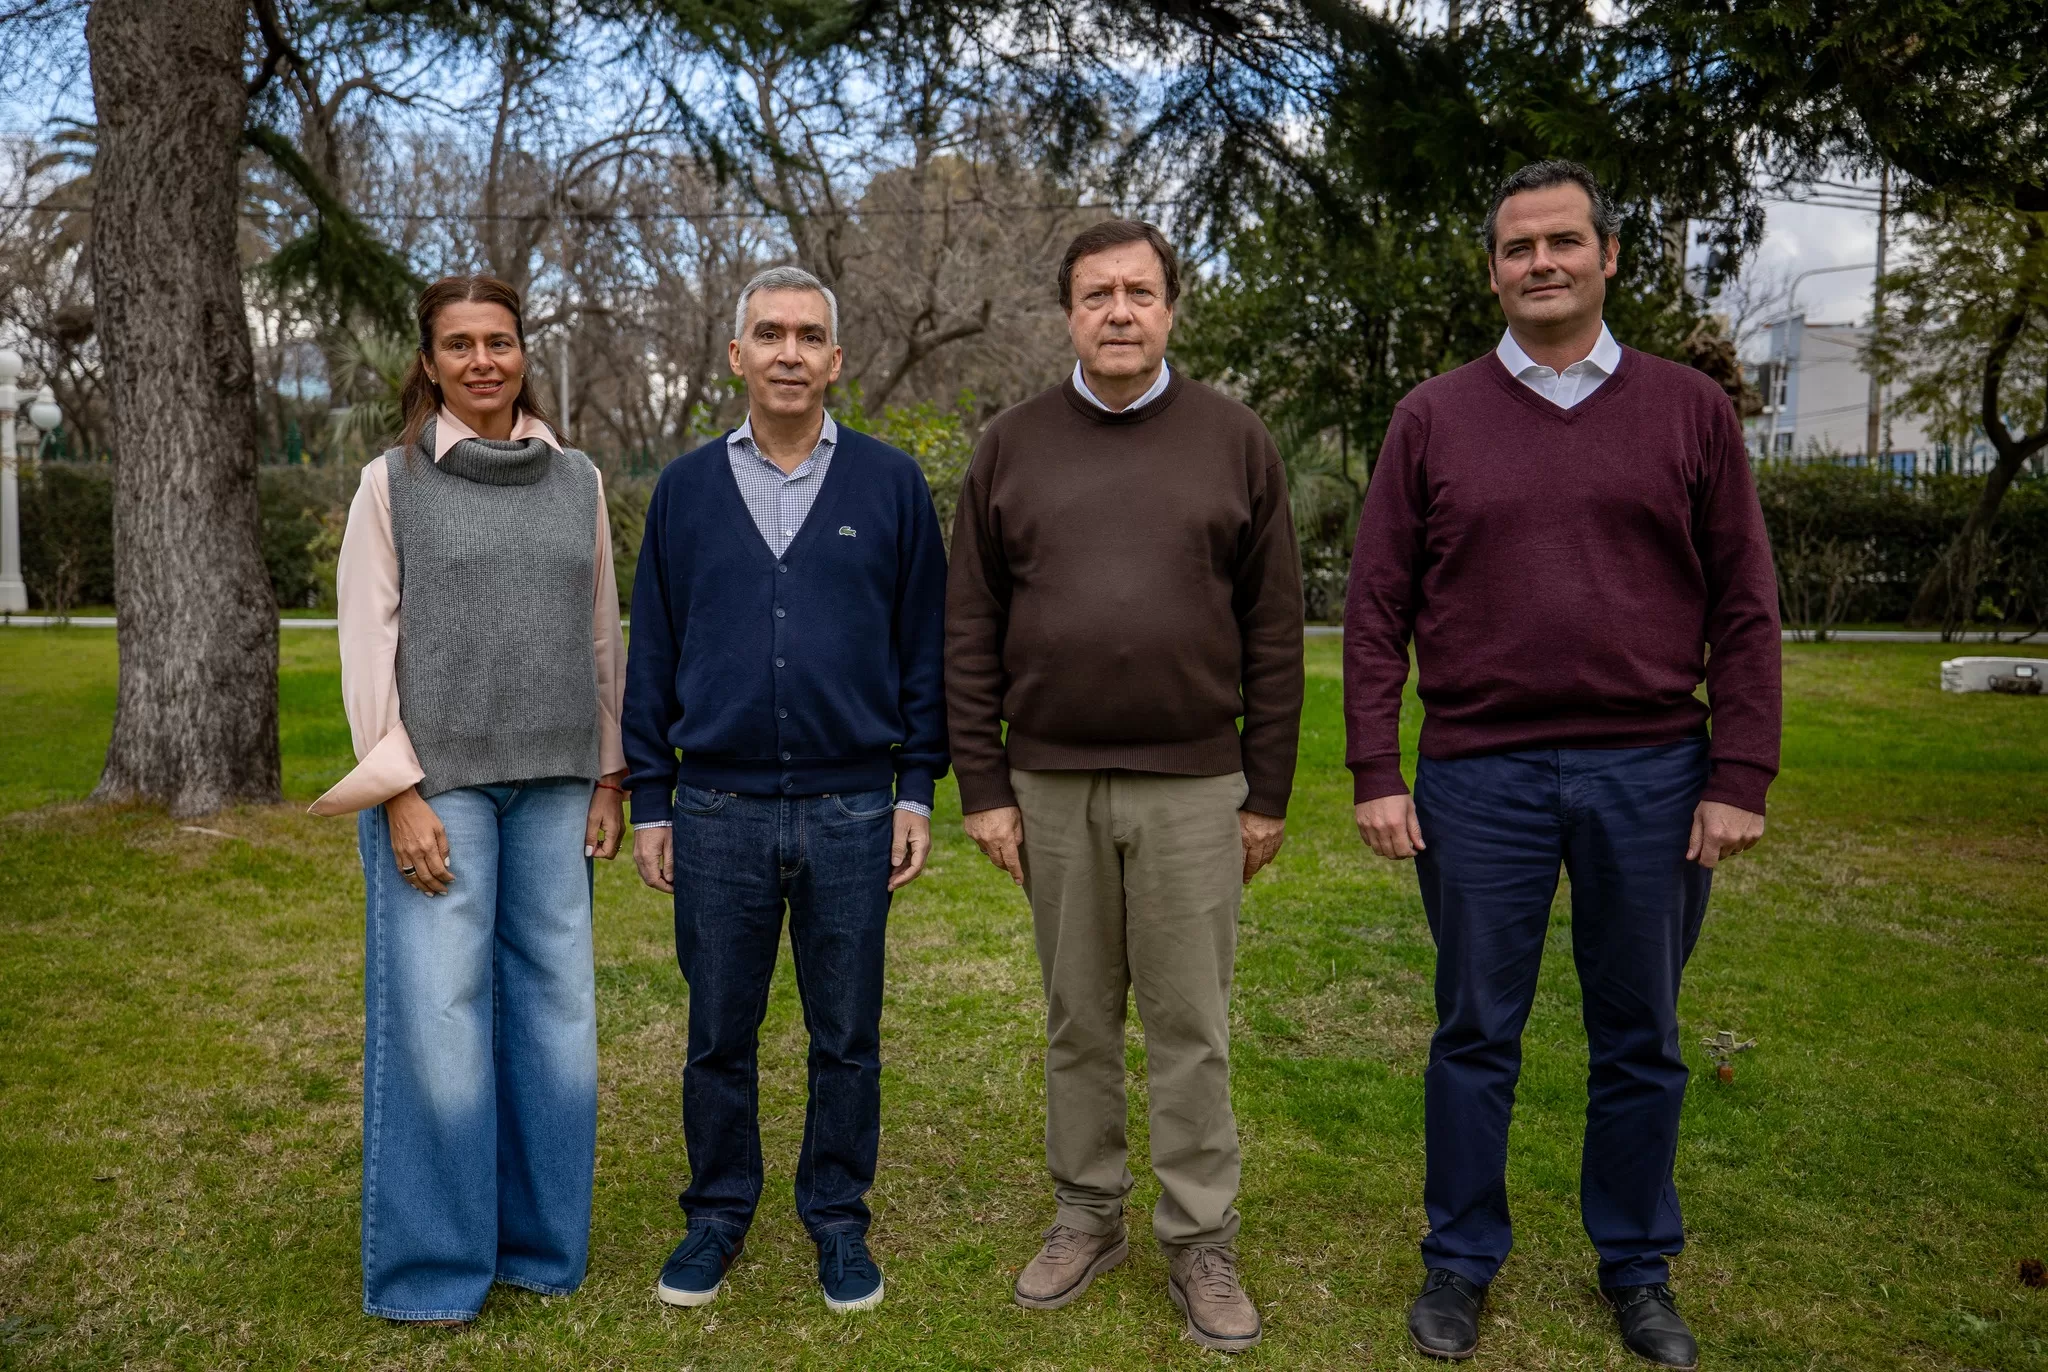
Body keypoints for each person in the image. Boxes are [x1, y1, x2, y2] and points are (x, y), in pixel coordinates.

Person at [1345, 160, 1782, 1369]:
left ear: (1606, 257)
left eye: (1562, 242)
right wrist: (1374, 767)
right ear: (1492, 270)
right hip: (1476, 775)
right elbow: (1375, 607)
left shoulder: (1688, 410)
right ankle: (1457, 1260)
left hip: (1649, 771)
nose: (1540, 262)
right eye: (1517, 247)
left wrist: (1738, 773)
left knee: (1638, 1034)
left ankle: (1636, 1266)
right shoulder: (1430, 417)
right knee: (1472, 1031)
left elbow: (1744, 602)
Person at [946, 220, 1305, 1354]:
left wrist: (1266, 792)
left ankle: (1200, 1237)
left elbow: (1274, 630)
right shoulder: (1009, 446)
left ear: (1170, 309)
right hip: (1049, 783)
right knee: (1077, 1018)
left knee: (1190, 1023)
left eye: (1138, 292)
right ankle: (1086, 1215)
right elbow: (968, 629)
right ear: (1066, 313)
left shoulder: (1233, 439)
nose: (1117, 311)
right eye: (1095, 293)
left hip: (1194, 785)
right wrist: (983, 786)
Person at [623, 265, 948, 1315]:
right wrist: (651, 799)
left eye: (809, 335)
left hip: (853, 810)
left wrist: (914, 789)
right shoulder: (684, 491)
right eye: (769, 333)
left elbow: (924, 650)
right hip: (715, 811)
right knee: (719, 1034)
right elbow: (652, 651)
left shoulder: (891, 485)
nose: (790, 352)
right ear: (736, 355)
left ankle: (838, 1221)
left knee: (845, 1036)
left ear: (835, 359)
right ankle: (717, 1214)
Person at [310, 274, 627, 1323]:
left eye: (499, 341)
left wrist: (610, 773)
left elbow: (600, 635)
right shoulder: (391, 482)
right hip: (439, 788)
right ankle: (434, 1272)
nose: (483, 361)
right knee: (440, 1022)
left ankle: (540, 1248)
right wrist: (397, 790)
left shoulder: (578, 480)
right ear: (429, 362)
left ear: (523, 352)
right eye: (460, 345)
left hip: (556, 785)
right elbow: (368, 645)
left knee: (556, 1020)